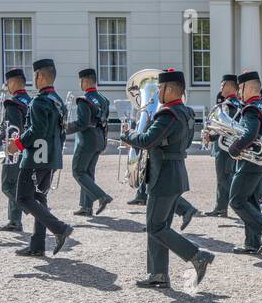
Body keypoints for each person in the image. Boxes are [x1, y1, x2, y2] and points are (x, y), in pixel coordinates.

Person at [120, 70, 215, 288]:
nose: (157, 93)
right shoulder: (186, 112)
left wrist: (128, 135)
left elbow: (146, 139)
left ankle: (196, 255)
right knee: (160, 226)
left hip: (163, 175)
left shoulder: (167, 114)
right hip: (175, 173)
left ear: (170, 89)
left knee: (155, 227)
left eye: (160, 89)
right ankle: (158, 274)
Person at [11, 59, 76, 258]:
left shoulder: (39, 101)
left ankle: (59, 228)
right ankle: (37, 245)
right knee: (39, 199)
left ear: (39, 76)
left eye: (35, 75)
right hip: (51, 157)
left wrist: (18, 144)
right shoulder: (58, 101)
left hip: (36, 158)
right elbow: (62, 132)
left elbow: (36, 130)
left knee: (23, 197)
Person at [228, 70, 262, 255]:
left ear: (248, 87)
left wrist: (234, 148)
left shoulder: (251, 108)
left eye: (240, 88)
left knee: (236, 201)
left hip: (250, 164)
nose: (238, 92)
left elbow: (250, 133)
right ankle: (252, 243)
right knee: (250, 200)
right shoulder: (261, 106)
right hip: (260, 163)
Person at [67, 68, 113, 217]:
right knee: (88, 172)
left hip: (87, 140)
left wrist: (65, 128)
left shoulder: (84, 100)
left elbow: (82, 123)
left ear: (85, 81)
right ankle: (86, 207)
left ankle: (101, 196)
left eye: (81, 81)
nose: (80, 84)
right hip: (99, 139)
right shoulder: (103, 99)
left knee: (78, 171)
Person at [0, 69, 31, 232]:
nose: (7, 86)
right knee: (16, 185)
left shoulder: (13, 103)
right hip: (27, 148)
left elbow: (12, 129)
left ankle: (30, 208)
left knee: (7, 185)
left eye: (8, 83)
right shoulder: (30, 101)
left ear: (15, 83)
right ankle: (14, 221)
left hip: (14, 149)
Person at [204, 74, 242, 217]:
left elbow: (225, 129)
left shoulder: (229, 105)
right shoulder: (237, 103)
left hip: (225, 147)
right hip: (231, 146)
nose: (220, 88)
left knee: (224, 178)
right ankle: (221, 207)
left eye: (222, 85)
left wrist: (212, 136)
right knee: (227, 176)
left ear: (230, 86)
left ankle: (222, 207)